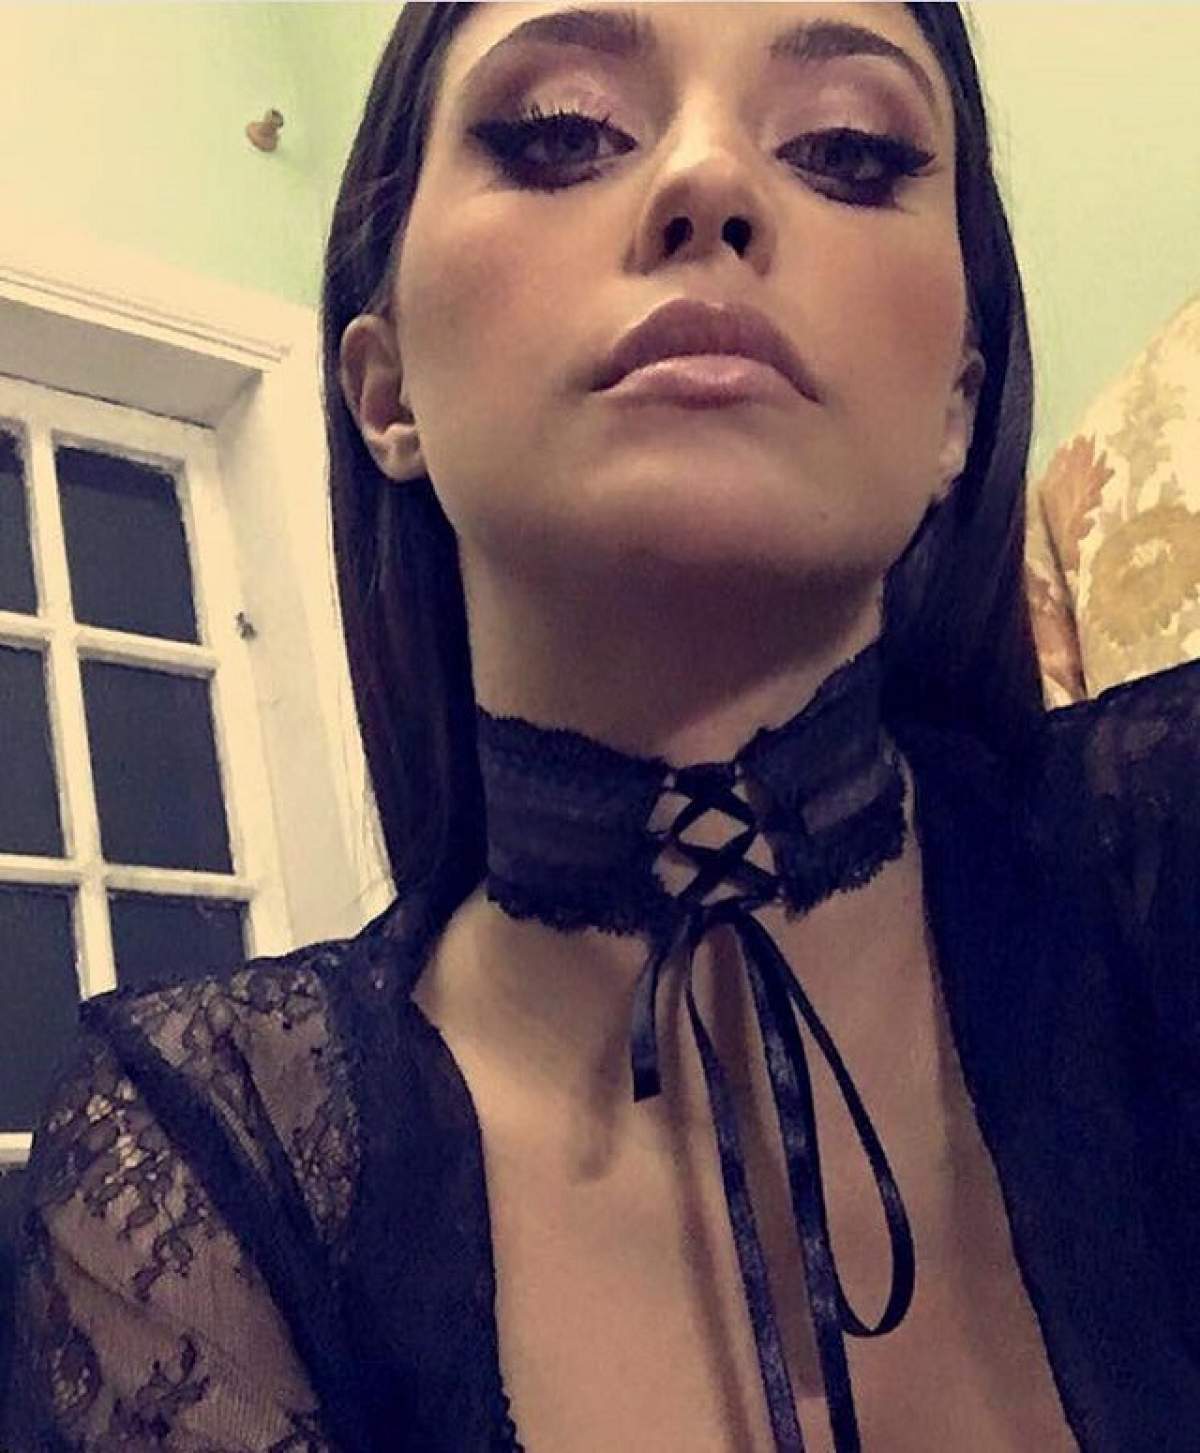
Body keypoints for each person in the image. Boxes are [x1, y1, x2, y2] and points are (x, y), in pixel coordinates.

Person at [8, 4, 1200, 1450]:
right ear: (386, 388)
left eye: (848, 147)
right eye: (562, 131)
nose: (709, 178)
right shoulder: (202, 1169)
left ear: (960, 401)